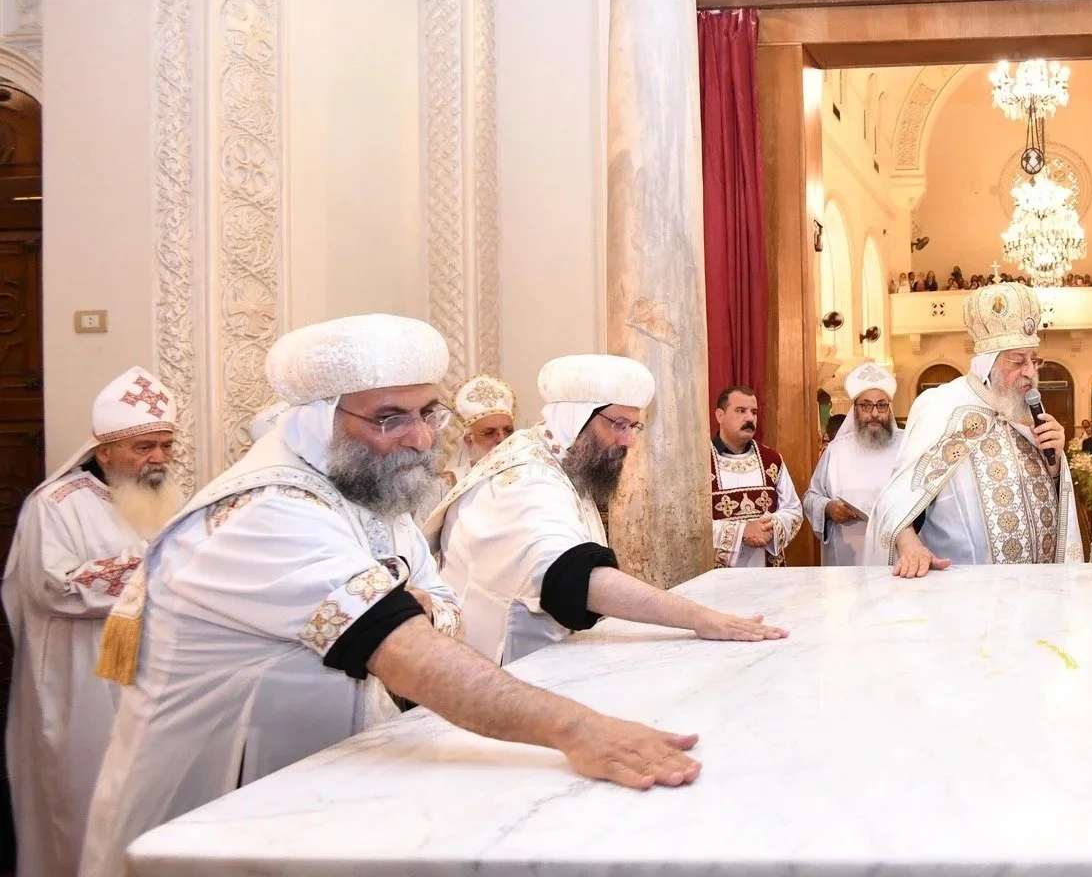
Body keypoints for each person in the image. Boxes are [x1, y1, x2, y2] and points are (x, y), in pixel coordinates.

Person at [81, 316, 707, 877]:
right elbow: (407, 647)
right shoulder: (265, 511)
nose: (419, 438)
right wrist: (580, 729)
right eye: (389, 417)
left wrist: (414, 610)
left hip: (327, 786)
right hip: (219, 805)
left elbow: (441, 606)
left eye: (427, 413)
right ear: (317, 416)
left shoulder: (372, 492)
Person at [434, 354, 786, 666]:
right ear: (576, 418)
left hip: (540, 659)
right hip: (503, 665)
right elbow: (577, 580)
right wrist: (698, 617)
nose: (629, 440)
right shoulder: (525, 478)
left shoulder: (565, 464)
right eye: (618, 424)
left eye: (634, 426)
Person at [4, 367, 184, 877]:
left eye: (166, 446)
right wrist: (152, 570)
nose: (159, 459)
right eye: (144, 447)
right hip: (80, 673)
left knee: (145, 792)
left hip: (149, 671)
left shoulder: (165, 496)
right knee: (82, 793)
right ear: (104, 450)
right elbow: (53, 585)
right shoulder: (56, 504)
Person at [871, 282, 1083, 575]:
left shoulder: (1026, 408)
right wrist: (909, 544)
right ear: (988, 364)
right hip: (966, 591)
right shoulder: (942, 406)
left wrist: (1057, 463)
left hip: (1039, 589)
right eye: (1018, 361)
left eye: (1035, 360)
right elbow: (897, 497)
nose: (1031, 373)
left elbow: (1051, 492)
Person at [803, 361, 903, 566]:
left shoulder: (907, 445)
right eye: (866, 405)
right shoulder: (836, 451)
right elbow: (810, 498)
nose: (875, 413)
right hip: (847, 558)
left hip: (895, 556)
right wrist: (829, 508)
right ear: (855, 409)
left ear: (889, 409)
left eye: (881, 405)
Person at [708, 386, 803, 568]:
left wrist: (771, 527)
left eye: (754, 412)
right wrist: (741, 532)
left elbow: (793, 510)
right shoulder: (699, 463)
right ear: (720, 416)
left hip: (766, 572)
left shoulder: (772, 460)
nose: (750, 418)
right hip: (718, 577)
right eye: (740, 411)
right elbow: (690, 525)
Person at [443, 372, 517, 488]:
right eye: (490, 433)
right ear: (469, 440)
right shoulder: (451, 483)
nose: (502, 439)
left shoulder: (530, 474)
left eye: (508, 431)